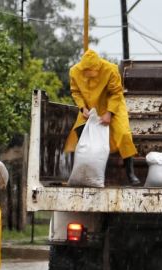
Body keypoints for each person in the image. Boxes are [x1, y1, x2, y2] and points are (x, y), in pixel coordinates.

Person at [64, 49, 140, 185]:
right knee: (79, 132)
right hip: (90, 108)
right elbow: (75, 92)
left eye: (92, 71)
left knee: (123, 134)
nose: (89, 74)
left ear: (98, 66)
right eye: (86, 71)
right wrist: (82, 108)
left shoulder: (111, 69)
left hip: (113, 106)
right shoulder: (74, 71)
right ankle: (83, 172)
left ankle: (131, 174)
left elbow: (116, 93)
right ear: (82, 67)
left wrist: (109, 113)